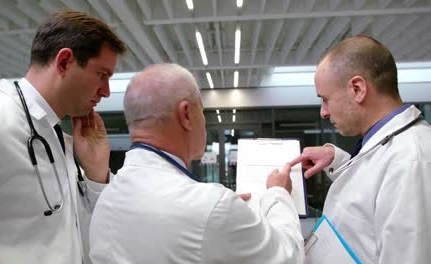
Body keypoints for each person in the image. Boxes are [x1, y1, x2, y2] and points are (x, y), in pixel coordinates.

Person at [89, 63, 304, 263]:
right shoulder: (210, 207)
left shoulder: (106, 199)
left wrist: (223, 215)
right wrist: (278, 193)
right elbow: (289, 255)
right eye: (202, 111)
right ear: (186, 115)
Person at [0, 9, 126, 263]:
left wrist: (96, 173)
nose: (105, 91)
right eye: (102, 75)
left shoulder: (57, 138)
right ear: (64, 62)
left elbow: (78, 236)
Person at [291, 36, 431, 263]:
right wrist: (337, 159)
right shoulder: (387, 144)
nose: (323, 113)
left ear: (357, 89)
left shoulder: (412, 161)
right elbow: (370, 193)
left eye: (325, 99)